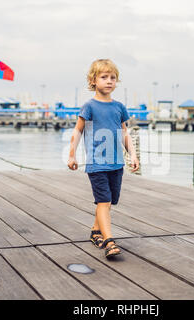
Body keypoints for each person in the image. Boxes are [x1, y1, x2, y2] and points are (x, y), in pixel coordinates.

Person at [67, 59, 139, 259]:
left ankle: (95, 232)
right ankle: (109, 242)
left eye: (113, 78)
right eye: (104, 77)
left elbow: (124, 133)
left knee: (109, 201)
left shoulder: (119, 107)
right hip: (97, 164)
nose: (109, 81)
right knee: (104, 201)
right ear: (93, 80)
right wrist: (72, 155)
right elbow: (78, 130)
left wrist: (132, 154)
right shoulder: (89, 106)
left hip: (116, 164)